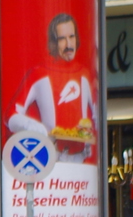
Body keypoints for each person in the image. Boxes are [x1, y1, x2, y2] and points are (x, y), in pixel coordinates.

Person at [5, 12, 96, 163]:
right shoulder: (38, 73)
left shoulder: (85, 74)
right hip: (48, 159)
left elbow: (97, 115)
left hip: (80, 159)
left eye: (71, 37)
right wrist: (33, 127)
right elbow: (11, 116)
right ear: (54, 42)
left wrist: (91, 139)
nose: (68, 45)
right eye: (62, 39)